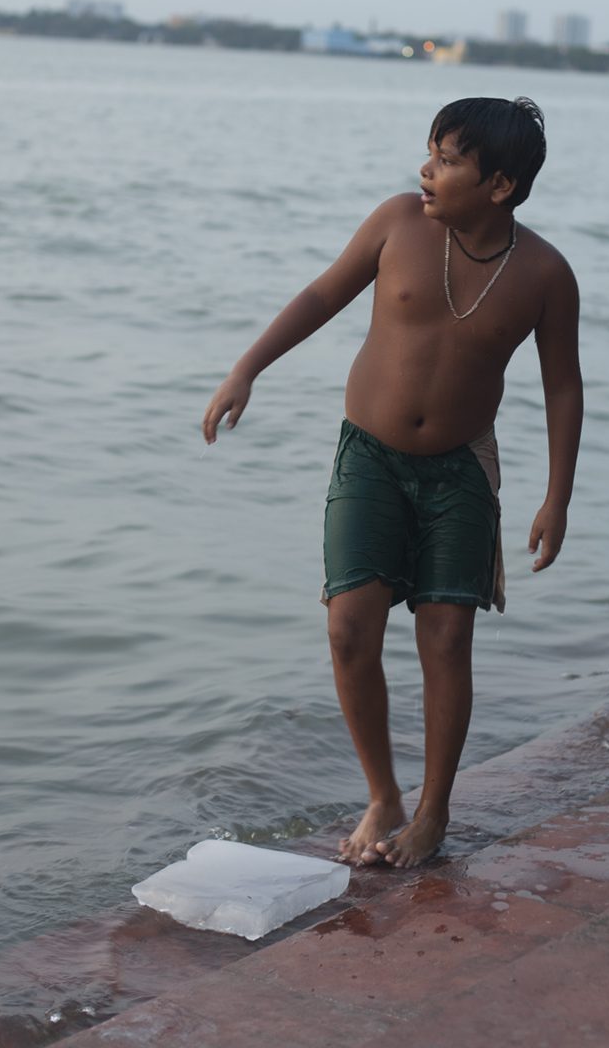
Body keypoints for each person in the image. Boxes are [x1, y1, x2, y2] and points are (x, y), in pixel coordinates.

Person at [201, 97, 583, 868]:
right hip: (369, 456)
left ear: (499, 185)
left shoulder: (544, 274)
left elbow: (563, 387)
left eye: (446, 160)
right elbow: (320, 295)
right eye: (430, 154)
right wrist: (247, 368)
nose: (426, 171)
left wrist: (557, 496)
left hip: (461, 472)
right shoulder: (397, 224)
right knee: (348, 627)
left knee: (446, 639)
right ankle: (383, 794)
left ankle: (434, 811)